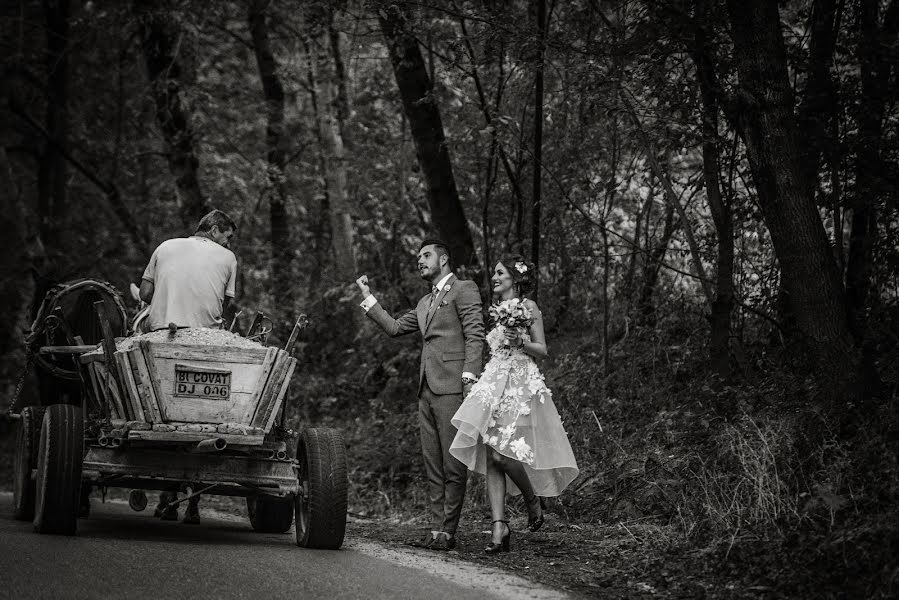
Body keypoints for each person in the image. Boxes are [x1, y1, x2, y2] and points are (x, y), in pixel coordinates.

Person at [355, 239, 485, 551]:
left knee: (453, 463)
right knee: (433, 464)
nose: (420, 261)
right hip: (425, 390)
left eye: (426, 255)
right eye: (418, 257)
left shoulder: (464, 288)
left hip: (453, 386)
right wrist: (368, 298)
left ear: (444, 258)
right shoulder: (425, 302)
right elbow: (396, 327)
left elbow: (475, 334)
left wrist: (469, 378)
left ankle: (449, 532)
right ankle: (436, 529)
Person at [449, 255, 579, 553]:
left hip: (519, 386)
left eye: (499, 273)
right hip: (494, 381)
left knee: (502, 456)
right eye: (493, 273)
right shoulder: (495, 310)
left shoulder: (529, 307)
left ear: (514, 278)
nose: (493, 277)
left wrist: (520, 342)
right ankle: (498, 528)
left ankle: (532, 500)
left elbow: (542, 349)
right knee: (492, 453)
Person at [140, 208, 238, 524]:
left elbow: (144, 294)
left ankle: (167, 493)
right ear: (214, 229)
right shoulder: (228, 259)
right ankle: (190, 501)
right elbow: (227, 303)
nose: (227, 243)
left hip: (160, 338)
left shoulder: (165, 247)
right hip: (206, 342)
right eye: (227, 236)